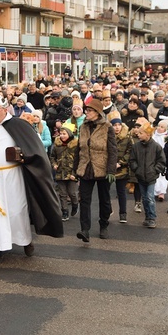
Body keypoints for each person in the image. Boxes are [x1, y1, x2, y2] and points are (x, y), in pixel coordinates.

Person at [0, 93, 63, 266]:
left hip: (12, 178)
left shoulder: (18, 125)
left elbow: (35, 149)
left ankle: (25, 241)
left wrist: (23, 156)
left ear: (5, 109)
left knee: (15, 210)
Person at [73, 98, 117, 242]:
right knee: (84, 200)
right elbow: (78, 149)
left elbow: (113, 150)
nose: (87, 112)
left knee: (104, 200)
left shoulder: (107, 127)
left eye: (90, 110)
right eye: (86, 110)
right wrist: (75, 169)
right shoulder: (83, 127)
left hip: (102, 168)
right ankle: (85, 230)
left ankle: (104, 225)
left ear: (98, 112)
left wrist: (111, 170)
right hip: (86, 168)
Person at [129, 121, 166, 228]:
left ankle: (152, 217)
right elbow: (132, 160)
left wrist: (155, 170)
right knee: (144, 198)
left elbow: (161, 160)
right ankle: (147, 217)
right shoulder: (136, 146)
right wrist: (137, 169)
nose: (138, 134)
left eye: (141, 133)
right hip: (140, 176)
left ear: (148, 134)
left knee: (150, 197)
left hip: (151, 177)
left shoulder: (156, 147)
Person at [50, 127, 79, 222]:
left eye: (64, 134)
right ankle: (64, 211)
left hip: (72, 173)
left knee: (72, 193)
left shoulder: (75, 145)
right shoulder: (57, 145)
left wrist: (75, 174)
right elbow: (52, 156)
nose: (62, 136)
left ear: (69, 134)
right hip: (60, 173)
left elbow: (79, 160)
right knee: (62, 194)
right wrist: (54, 164)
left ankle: (75, 204)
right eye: (61, 134)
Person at [112, 117, 132, 223]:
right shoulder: (107, 136)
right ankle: (108, 210)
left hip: (122, 168)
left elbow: (130, 151)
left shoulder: (127, 137)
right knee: (105, 191)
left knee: (121, 192)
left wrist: (121, 163)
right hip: (109, 168)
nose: (117, 127)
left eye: (118, 125)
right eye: (114, 125)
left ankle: (123, 213)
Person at [152, 119, 168, 201]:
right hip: (154, 158)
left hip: (163, 158)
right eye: (158, 126)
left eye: (162, 127)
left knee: (162, 176)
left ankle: (161, 192)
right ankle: (155, 190)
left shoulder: (166, 137)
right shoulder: (153, 136)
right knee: (155, 175)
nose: (159, 128)